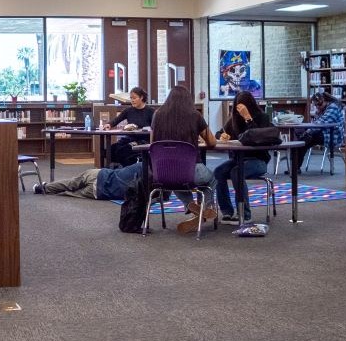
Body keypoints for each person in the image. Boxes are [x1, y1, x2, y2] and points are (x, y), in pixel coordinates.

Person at [149, 86, 218, 232]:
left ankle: (191, 205)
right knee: (211, 179)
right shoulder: (195, 115)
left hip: (163, 172)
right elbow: (212, 142)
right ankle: (206, 209)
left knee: (175, 179)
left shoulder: (157, 114)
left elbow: (152, 143)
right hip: (191, 170)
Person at [212, 91, 274, 224]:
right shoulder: (234, 120)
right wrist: (221, 136)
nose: (240, 111)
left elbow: (257, 136)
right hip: (237, 159)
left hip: (258, 160)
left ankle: (245, 214)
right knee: (218, 172)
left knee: (236, 172)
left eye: (243, 108)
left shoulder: (262, 118)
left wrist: (248, 118)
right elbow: (218, 133)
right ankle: (227, 212)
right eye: (238, 108)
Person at [34, 162, 145, 200]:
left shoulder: (141, 165)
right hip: (99, 192)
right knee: (70, 193)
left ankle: (43, 187)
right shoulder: (149, 185)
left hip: (99, 174)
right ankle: (46, 189)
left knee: (70, 183)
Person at [103, 88, 152, 166]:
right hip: (129, 139)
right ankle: (114, 170)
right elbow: (116, 120)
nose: (132, 100)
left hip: (143, 140)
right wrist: (109, 124)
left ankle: (129, 169)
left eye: (134, 98)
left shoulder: (150, 111)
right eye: (131, 98)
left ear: (141, 97)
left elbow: (155, 128)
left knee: (124, 150)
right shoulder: (128, 110)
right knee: (110, 150)